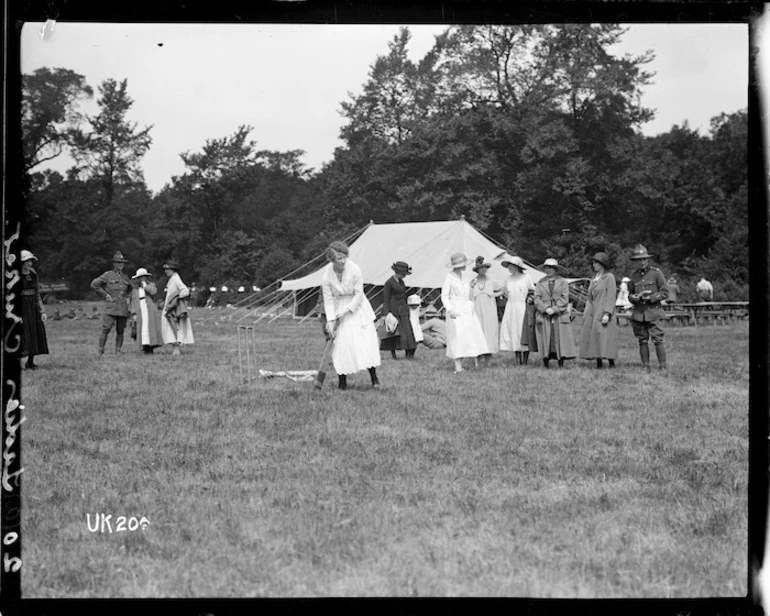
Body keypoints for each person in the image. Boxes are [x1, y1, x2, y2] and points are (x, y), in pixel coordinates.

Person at [321, 241, 381, 390]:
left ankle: (374, 379)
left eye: (344, 257)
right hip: (338, 306)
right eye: (338, 258)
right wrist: (330, 320)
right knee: (342, 345)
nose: (342, 261)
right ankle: (342, 383)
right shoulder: (326, 275)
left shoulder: (354, 269)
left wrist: (347, 311)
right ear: (331, 259)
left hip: (357, 309)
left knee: (364, 343)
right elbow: (328, 300)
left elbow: (359, 294)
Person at [441, 253, 489, 373]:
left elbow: (467, 294)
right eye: (463, 264)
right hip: (455, 309)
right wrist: (450, 309)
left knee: (471, 335)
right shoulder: (449, 277)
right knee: (457, 336)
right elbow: (445, 296)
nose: (465, 266)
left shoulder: (465, 276)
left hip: (467, 309)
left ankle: (476, 362)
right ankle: (458, 366)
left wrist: (471, 288)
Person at [628, 244, 669, 371]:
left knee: (657, 339)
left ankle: (662, 366)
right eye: (639, 260)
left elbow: (665, 292)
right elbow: (630, 294)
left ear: (647, 260)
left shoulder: (656, 273)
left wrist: (651, 298)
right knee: (642, 340)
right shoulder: (633, 276)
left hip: (654, 311)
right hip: (639, 313)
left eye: (644, 259)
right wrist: (634, 298)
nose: (642, 262)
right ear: (635, 262)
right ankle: (645, 366)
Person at [534, 258, 577, 368]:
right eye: (547, 268)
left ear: (556, 269)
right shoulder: (540, 282)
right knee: (545, 337)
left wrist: (555, 309)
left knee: (559, 338)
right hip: (545, 314)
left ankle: (560, 361)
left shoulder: (563, 282)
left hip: (559, 314)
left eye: (551, 268)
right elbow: (537, 298)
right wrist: (545, 308)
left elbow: (564, 298)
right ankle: (546, 361)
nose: (548, 270)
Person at [578, 252, 618, 368]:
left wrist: (607, 313)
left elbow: (611, 295)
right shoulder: (593, 279)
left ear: (602, 264)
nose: (593, 264)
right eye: (593, 262)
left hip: (603, 309)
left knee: (606, 336)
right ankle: (598, 361)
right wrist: (587, 312)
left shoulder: (609, 277)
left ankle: (611, 362)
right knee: (595, 336)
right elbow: (589, 297)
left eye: (596, 262)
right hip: (593, 311)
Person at [90, 251, 133, 355]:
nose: (120, 265)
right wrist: (105, 295)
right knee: (106, 329)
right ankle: (101, 351)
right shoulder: (108, 275)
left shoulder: (125, 277)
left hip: (122, 307)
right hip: (111, 306)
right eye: (118, 262)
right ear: (113, 263)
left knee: (120, 330)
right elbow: (94, 284)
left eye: (122, 263)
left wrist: (128, 299)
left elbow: (130, 289)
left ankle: (118, 351)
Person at [499, 256, 535, 365]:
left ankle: (525, 360)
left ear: (517, 267)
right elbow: (503, 292)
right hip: (511, 307)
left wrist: (530, 298)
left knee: (522, 331)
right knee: (513, 331)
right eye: (508, 266)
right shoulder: (508, 279)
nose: (509, 268)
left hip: (522, 306)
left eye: (511, 266)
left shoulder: (526, 277)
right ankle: (518, 360)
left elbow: (533, 291)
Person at [380, 261, 418, 360]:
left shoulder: (402, 282)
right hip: (394, 308)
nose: (404, 276)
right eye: (403, 274)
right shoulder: (389, 283)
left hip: (403, 308)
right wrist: (386, 313)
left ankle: (409, 352)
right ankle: (394, 354)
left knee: (407, 332)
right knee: (395, 333)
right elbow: (386, 298)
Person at [20, 250, 49, 370]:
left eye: (31, 260)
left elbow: (37, 294)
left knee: (35, 333)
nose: (30, 263)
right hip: (21, 307)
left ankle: (30, 362)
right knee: (23, 334)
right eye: (27, 260)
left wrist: (42, 311)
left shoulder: (33, 274)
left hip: (33, 307)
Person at [470, 256, 502, 364]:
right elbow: (469, 296)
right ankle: (477, 360)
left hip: (489, 309)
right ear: (477, 270)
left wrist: (494, 294)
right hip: (477, 309)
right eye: (481, 268)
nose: (483, 270)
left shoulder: (492, 281)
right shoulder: (473, 281)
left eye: (485, 268)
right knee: (478, 331)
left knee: (489, 331)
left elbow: (502, 290)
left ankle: (488, 360)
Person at [161, 260, 194, 356]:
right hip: (170, 307)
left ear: (172, 270)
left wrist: (176, 299)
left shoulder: (176, 279)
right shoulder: (172, 279)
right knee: (171, 327)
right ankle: (175, 348)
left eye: (167, 269)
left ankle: (177, 349)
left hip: (175, 309)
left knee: (176, 327)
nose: (165, 271)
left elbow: (185, 290)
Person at [129, 268, 163, 354]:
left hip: (149, 309)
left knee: (150, 327)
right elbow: (132, 301)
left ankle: (151, 346)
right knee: (141, 327)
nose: (142, 278)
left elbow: (153, 292)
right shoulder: (135, 289)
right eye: (140, 277)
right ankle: (144, 346)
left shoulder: (151, 285)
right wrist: (133, 313)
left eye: (144, 276)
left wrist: (145, 286)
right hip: (139, 309)